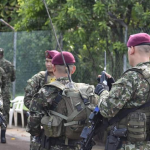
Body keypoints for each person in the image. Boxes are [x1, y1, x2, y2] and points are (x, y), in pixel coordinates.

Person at [27, 51, 98, 150]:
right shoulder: (86, 91)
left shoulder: (46, 91)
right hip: (79, 145)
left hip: (53, 145)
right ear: (73, 70)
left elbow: (33, 121)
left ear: (54, 68)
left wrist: (38, 134)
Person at [95, 33, 150, 150]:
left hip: (131, 145)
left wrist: (103, 91)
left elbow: (107, 109)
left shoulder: (132, 76)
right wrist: (115, 86)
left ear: (132, 49)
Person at [24, 50, 59, 150]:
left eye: (50, 61)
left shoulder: (62, 78)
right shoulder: (38, 78)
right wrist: (41, 111)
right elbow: (27, 100)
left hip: (57, 125)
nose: (48, 64)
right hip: (40, 124)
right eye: (46, 61)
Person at [0, 48, 16, 143]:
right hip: (5, 93)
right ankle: (3, 136)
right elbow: (13, 78)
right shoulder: (9, 65)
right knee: (4, 113)